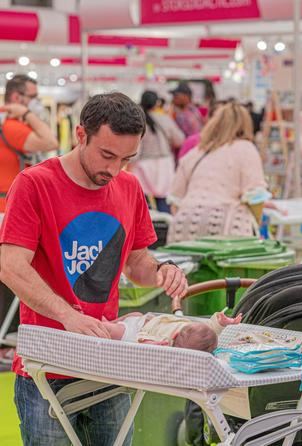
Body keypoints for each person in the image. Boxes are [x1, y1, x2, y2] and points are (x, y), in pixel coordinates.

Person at [0, 92, 189, 446]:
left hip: (106, 359)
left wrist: (163, 270)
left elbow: (137, 263)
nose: (114, 169)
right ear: (80, 134)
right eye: (107, 155)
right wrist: (68, 316)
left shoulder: (129, 186)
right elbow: (10, 267)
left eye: (126, 159)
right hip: (46, 366)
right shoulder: (34, 183)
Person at [168, 102, 269, 243]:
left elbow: (175, 199)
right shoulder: (245, 148)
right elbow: (256, 196)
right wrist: (255, 223)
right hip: (227, 225)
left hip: (183, 224)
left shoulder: (196, 152)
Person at [0, 74, 59, 210]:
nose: (37, 101)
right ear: (16, 97)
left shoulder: (5, 122)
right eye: (33, 97)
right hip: (7, 207)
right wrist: (27, 113)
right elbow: (51, 142)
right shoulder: (11, 126)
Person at [131, 90, 184, 213]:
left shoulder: (138, 120)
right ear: (157, 103)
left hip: (143, 165)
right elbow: (179, 139)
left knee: (143, 203)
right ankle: (164, 229)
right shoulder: (165, 119)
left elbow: (136, 147)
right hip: (164, 164)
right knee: (164, 201)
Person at [103, 311, 242, 352]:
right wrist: (221, 323)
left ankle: (103, 324)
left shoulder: (165, 344)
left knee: (113, 331)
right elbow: (210, 327)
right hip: (145, 320)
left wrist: (145, 342)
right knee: (134, 314)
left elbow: (143, 341)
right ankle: (108, 323)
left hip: (137, 331)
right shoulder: (198, 333)